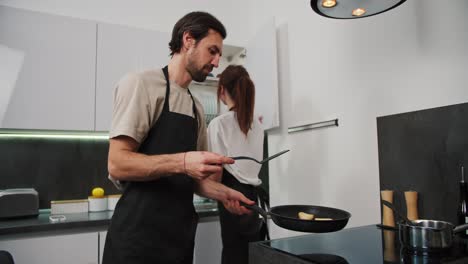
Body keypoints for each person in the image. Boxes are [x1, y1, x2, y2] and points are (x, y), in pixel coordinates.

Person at [102, 12, 254, 264]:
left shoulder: (195, 107)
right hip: (136, 241)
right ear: (188, 40)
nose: (217, 62)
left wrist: (225, 193)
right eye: (212, 51)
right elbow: (117, 163)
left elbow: (195, 181)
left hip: (179, 241)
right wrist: (183, 162)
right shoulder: (141, 84)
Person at [207, 65, 267, 264]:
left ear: (222, 90)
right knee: (253, 256)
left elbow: (215, 176)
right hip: (253, 198)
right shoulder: (257, 126)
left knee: (234, 256)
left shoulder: (219, 124)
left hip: (231, 196)